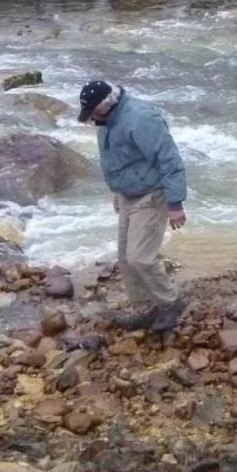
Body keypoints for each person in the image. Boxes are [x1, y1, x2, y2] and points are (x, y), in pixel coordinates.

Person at [77, 80, 188, 332]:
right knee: (125, 259)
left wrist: (175, 203)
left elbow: (169, 158)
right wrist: (117, 190)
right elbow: (117, 158)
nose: (91, 118)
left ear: (107, 103)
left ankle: (171, 302)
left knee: (140, 258)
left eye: (93, 112)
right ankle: (146, 307)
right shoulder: (105, 121)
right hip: (128, 194)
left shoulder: (141, 119)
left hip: (152, 194)